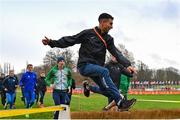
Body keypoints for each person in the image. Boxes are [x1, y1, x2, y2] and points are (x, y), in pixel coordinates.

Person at [42, 13, 136, 111]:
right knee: (104, 71)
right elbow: (71, 40)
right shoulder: (88, 33)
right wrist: (52, 43)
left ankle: (88, 87)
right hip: (85, 65)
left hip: (97, 68)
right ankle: (121, 102)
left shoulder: (108, 39)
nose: (112, 27)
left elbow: (117, 53)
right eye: (110, 24)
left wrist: (127, 64)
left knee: (106, 90)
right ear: (103, 22)